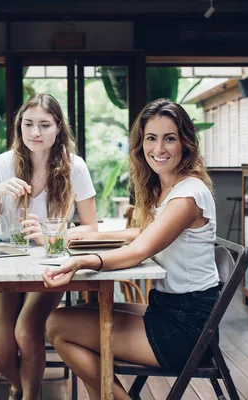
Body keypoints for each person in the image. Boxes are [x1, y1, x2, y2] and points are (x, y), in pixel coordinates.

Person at [42, 99, 219, 399]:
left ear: (186, 143)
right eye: (151, 138)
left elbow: (139, 250)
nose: (159, 148)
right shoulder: (170, 188)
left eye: (169, 138)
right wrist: (89, 237)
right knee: (68, 319)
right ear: (141, 143)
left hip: (185, 329)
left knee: (58, 324)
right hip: (170, 309)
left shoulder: (189, 195)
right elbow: (144, 232)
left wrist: (84, 261)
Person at [0, 93, 98, 400]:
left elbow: (90, 226)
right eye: (28, 124)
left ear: (58, 127)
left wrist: (51, 235)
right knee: (1, 349)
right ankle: (18, 383)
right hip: (4, 259)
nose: (35, 132)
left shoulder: (75, 167)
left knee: (26, 333)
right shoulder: (0, 165)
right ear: (19, 127)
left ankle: (29, 395)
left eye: (44, 125)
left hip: (51, 262)